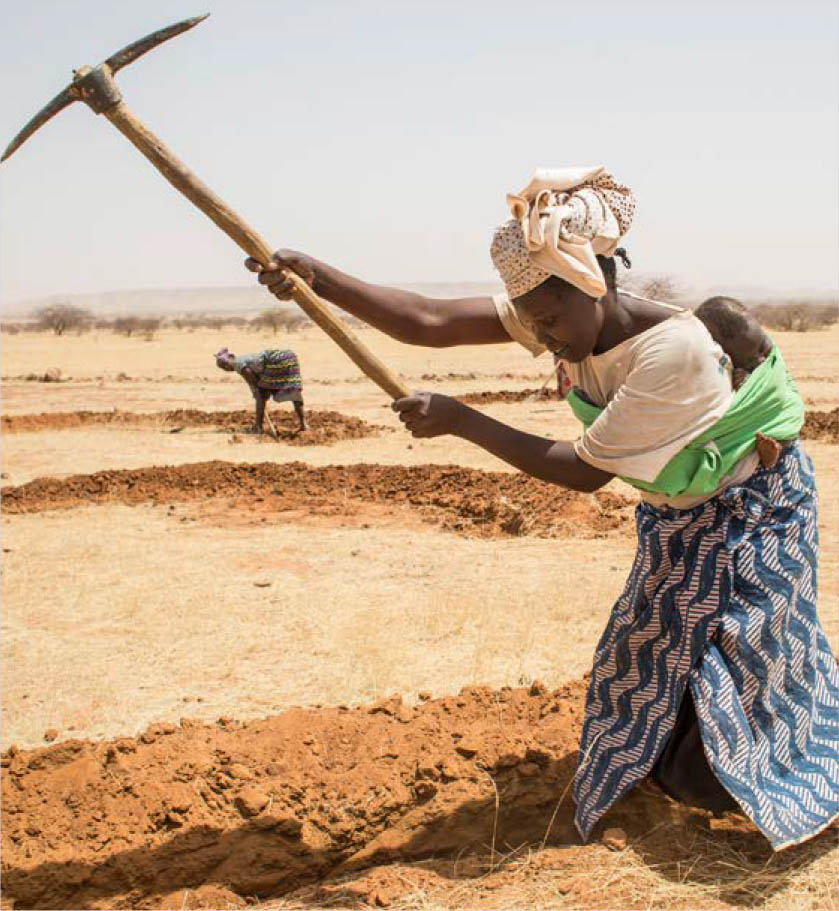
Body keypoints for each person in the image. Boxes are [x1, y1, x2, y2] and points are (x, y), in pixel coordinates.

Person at [245, 166, 839, 850]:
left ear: (596, 282)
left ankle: (794, 775)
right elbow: (429, 319)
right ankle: (697, 761)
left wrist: (462, 420)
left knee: (753, 658)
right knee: (645, 653)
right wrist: (319, 277)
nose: (544, 336)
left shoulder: (669, 353)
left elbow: (584, 472)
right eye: (532, 322)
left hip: (747, 516)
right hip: (677, 520)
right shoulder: (562, 311)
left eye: (552, 321)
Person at [215, 347, 307, 433]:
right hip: (289, 357)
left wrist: (258, 394)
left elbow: (255, 383)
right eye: (223, 368)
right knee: (294, 390)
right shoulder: (242, 360)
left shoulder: (238, 364)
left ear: (230, 360)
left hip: (276, 361)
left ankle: (258, 427)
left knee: (261, 395)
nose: (226, 369)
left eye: (225, 365)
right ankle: (304, 425)